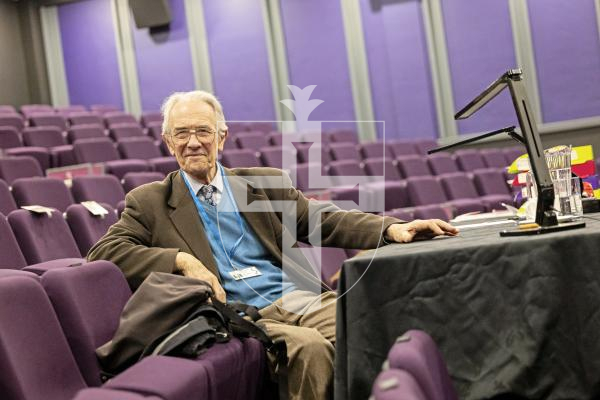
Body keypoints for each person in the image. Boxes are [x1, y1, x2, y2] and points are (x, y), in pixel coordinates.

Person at [88, 90, 458, 400]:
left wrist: (392, 229)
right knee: (309, 348)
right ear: (168, 142)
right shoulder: (149, 201)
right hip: (234, 313)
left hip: (296, 297)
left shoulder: (263, 185)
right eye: (181, 133)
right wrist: (181, 259)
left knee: (375, 322)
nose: (193, 142)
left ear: (222, 137)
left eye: (203, 131)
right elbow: (104, 252)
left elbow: (323, 220)